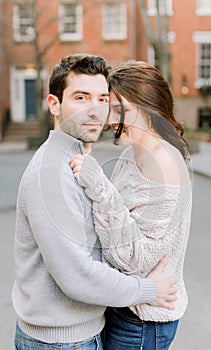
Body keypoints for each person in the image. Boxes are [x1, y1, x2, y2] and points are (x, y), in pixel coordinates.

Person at [12, 55, 177, 350]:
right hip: (61, 342)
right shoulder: (51, 175)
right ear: (54, 105)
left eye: (103, 99)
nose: (95, 111)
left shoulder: (74, 160)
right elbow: (78, 276)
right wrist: (149, 289)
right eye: (80, 97)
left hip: (78, 334)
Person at [70, 60, 193, 350]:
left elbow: (136, 260)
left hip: (142, 320)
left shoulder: (164, 163)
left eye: (117, 109)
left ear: (146, 105)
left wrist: (98, 186)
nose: (109, 120)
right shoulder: (130, 154)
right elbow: (108, 225)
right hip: (124, 303)